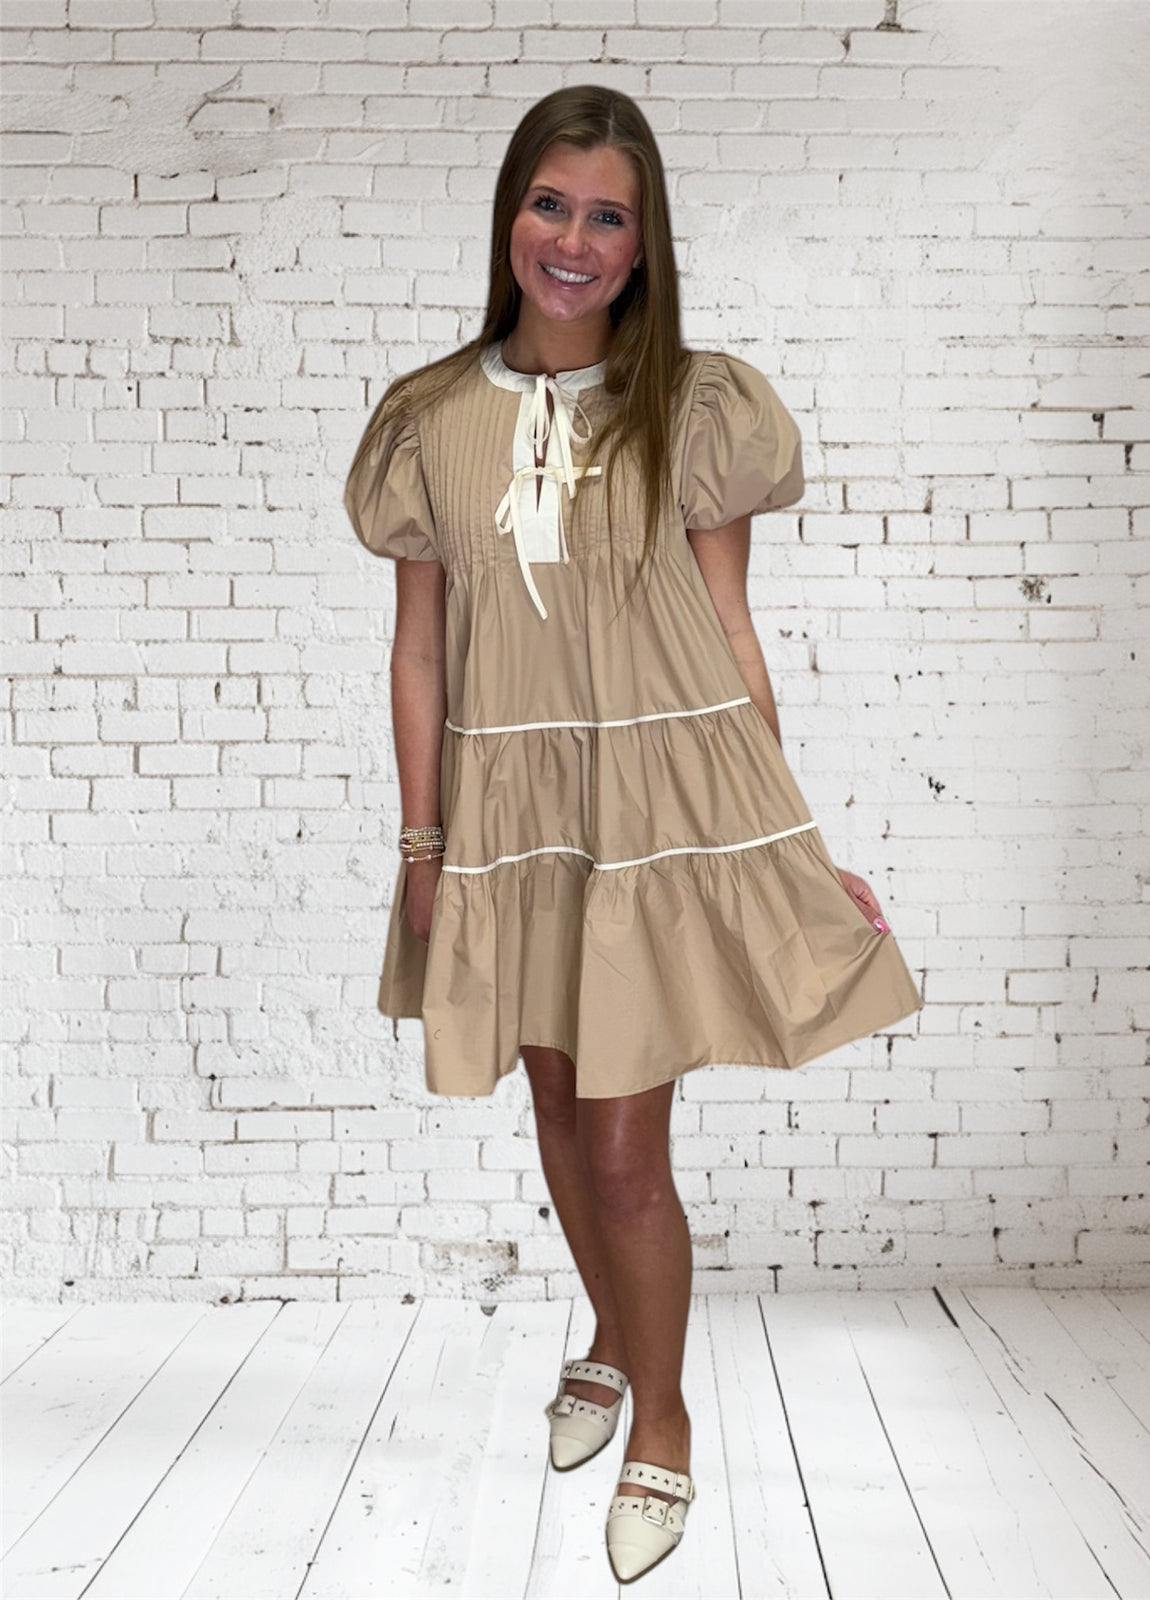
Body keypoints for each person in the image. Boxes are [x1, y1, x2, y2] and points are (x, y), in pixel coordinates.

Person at [344, 85, 923, 1584]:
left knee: (621, 1152)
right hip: (510, 819)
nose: (575, 239)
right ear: (509, 214)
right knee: (553, 1106)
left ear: (646, 242)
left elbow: (729, 630)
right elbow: (419, 650)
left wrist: (789, 842)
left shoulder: (698, 407)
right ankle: (609, 1332)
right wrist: (422, 847)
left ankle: (660, 1420)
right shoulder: (428, 420)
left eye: (609, 215)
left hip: (658, 815)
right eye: (552, 204)